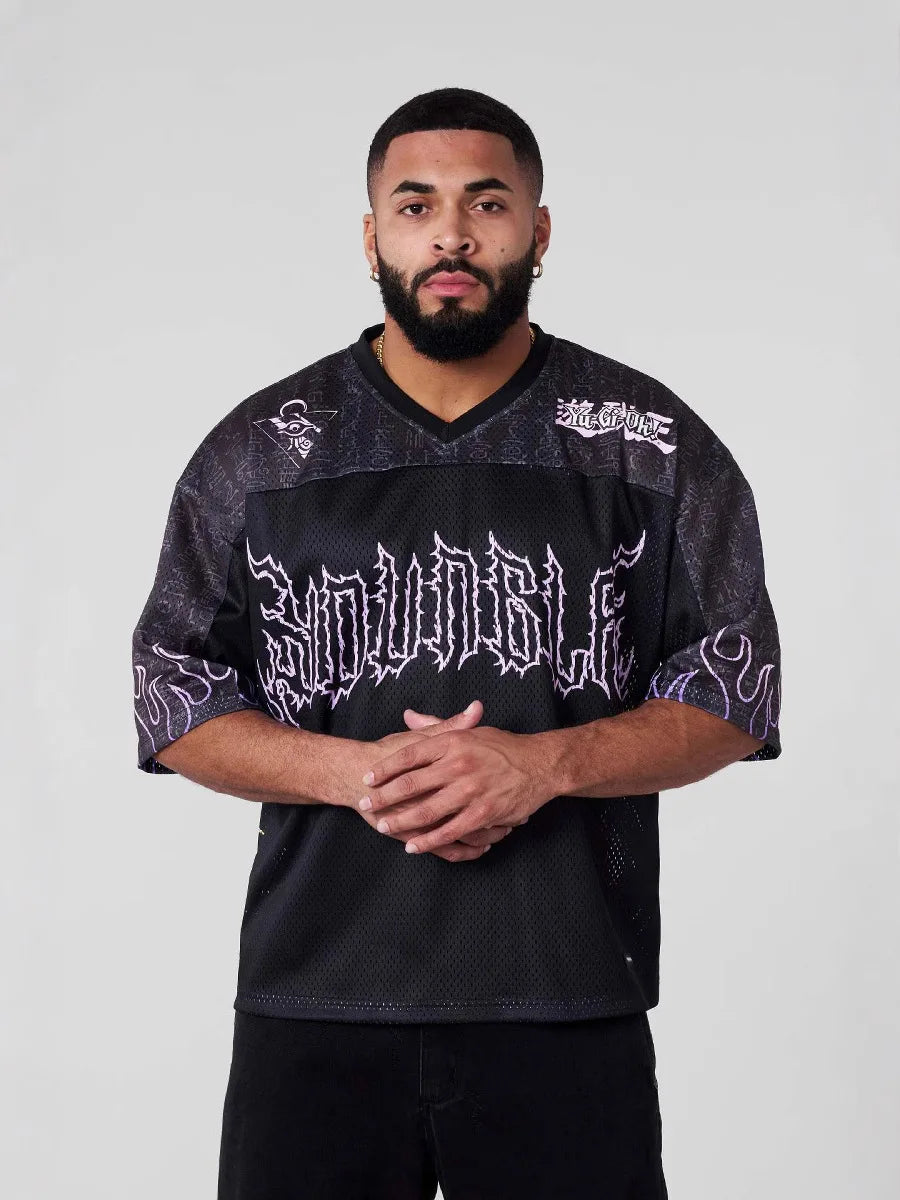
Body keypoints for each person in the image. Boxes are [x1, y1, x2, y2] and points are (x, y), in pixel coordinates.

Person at [131, 86, 782, 1199]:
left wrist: (542, 765)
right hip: (316, 992)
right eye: (415, 205)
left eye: (486, 203)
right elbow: (169, 690)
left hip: (567, 989)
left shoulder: (647, 442)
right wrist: (361, 775)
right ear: (371, 237)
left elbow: (738, 690)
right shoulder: (264, 450)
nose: (451, 235)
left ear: (538, 228)